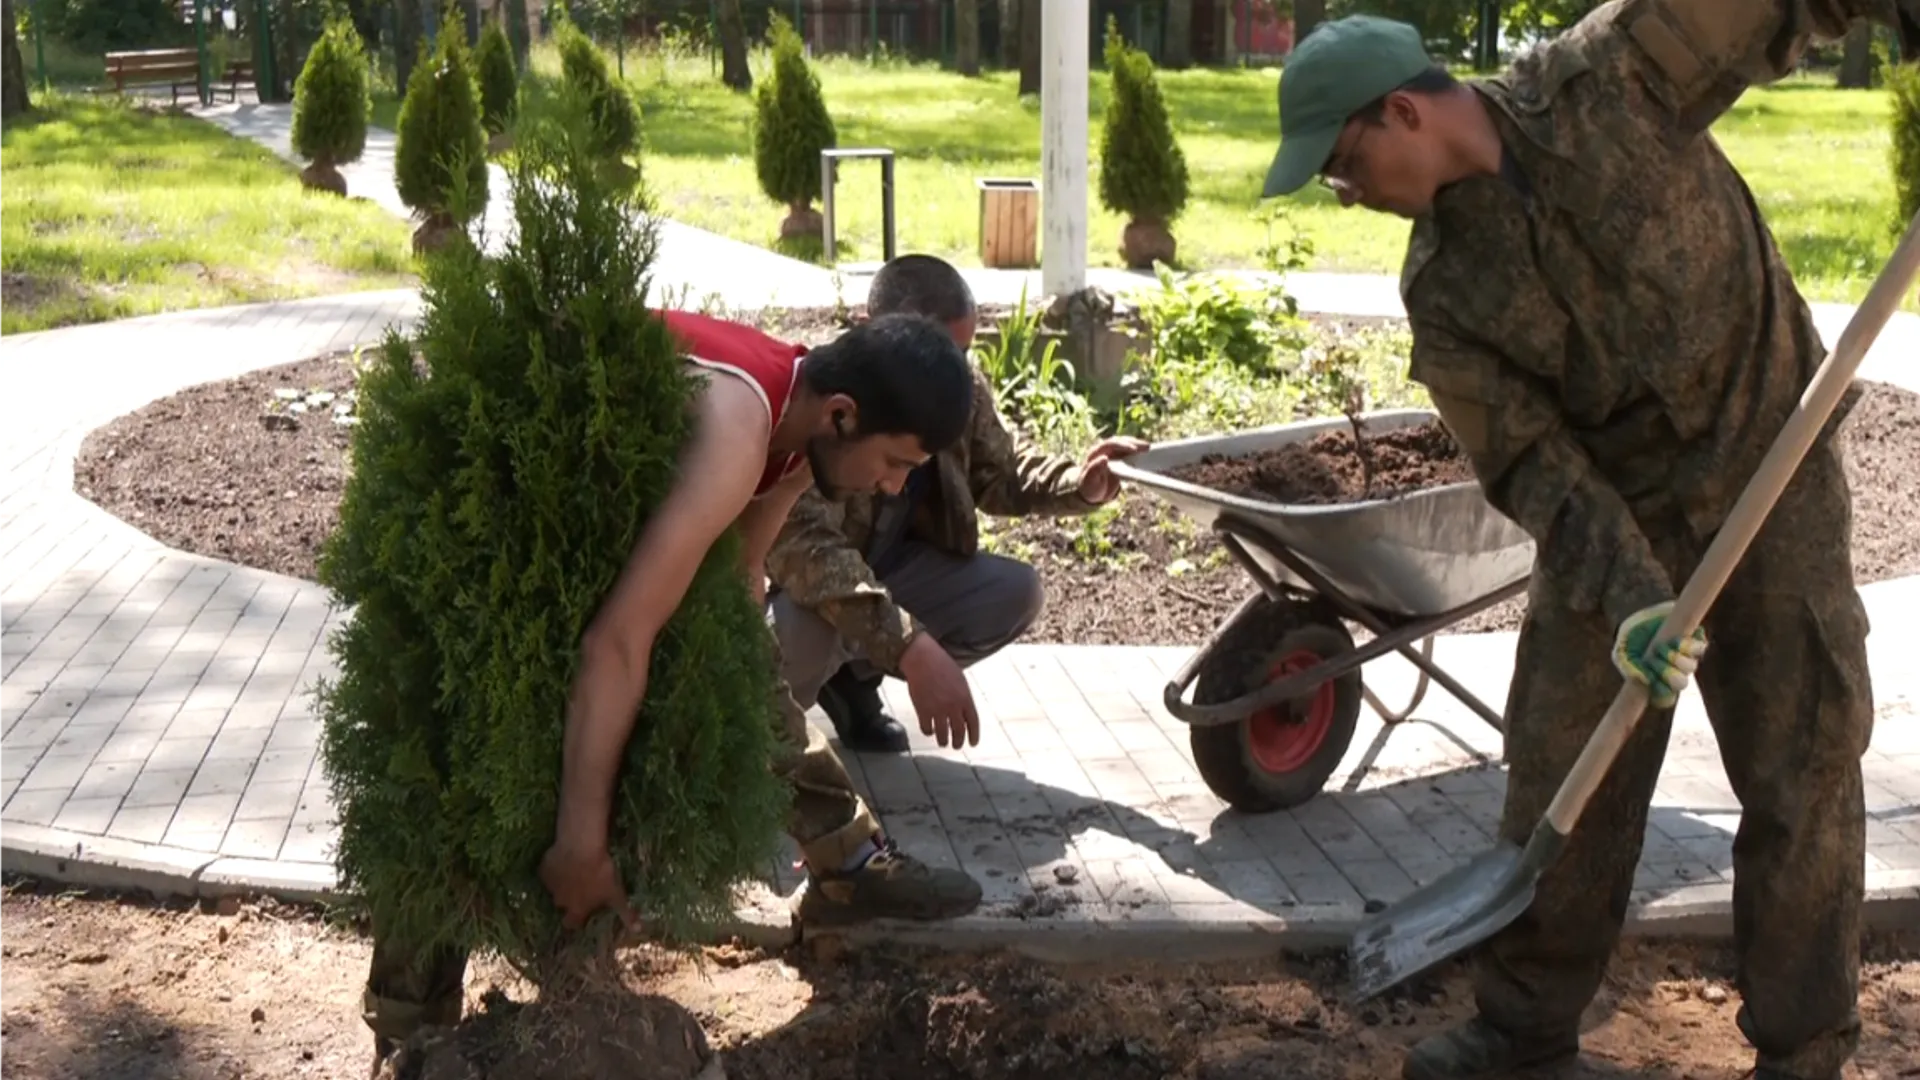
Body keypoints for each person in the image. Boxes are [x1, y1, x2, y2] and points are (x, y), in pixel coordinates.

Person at [1260, 5, 1915, 1079]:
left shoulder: (1612, 71)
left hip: (1772, 463)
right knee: (1563, 763)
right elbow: (1530, 461)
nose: (1344, 193)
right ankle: (1520, 1033)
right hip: (1617, 510)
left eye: (1341, 164)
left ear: (1404, 112)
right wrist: (1630, 597)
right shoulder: (1444, 294)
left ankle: (1804, 1050)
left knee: (1804, 763)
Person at [363, 308, 987, 1074]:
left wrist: (718, 714)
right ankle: (408, 1028)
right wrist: (580, 844)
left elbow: (734, 596)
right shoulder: (738, 427)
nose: (893, 487)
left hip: (575, 516)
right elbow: (616, 642)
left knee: (734, 665)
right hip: (479, 505)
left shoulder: (797, 440)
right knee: (452, 754)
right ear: (843, 415)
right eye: (895, 462)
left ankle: (848, 859)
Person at [764, 254, 1149, 753]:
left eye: (960, 354)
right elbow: (811, 559)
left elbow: (1001, 472)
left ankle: (852, 680)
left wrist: (1081, 483)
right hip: (805, 592)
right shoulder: (821, 407)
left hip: (890, 571)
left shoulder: (956, 390)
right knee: (804, 627)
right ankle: (759, 750)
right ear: (871, 330)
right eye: (935, 350)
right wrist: (911, 648)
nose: (946, 373)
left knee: (1013, 591)